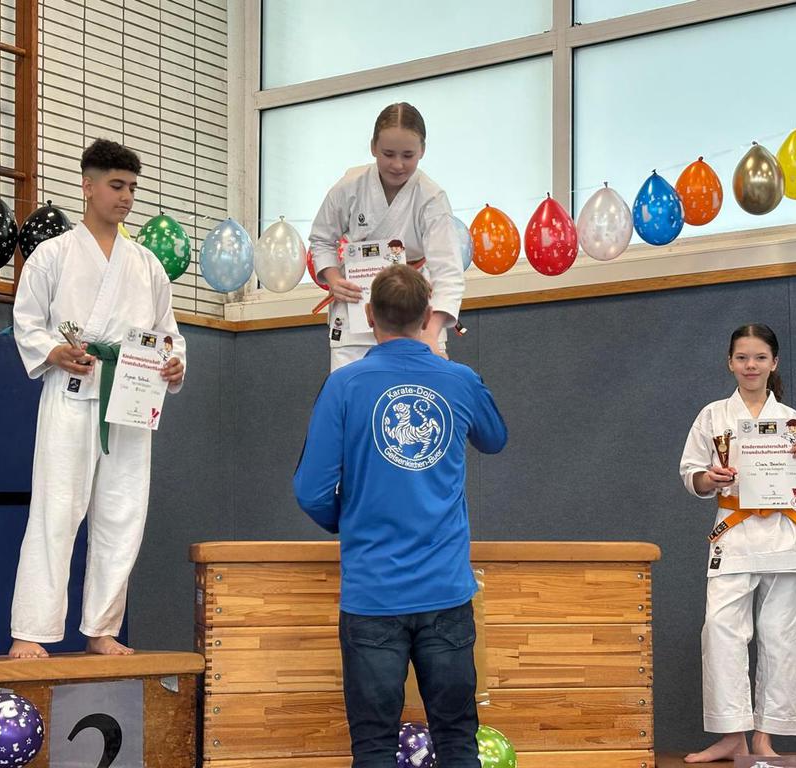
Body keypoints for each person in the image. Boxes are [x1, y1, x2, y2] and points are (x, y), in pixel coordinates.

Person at [294, 264, 507, 767]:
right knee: (457, 741)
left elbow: (311, 490)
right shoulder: (459, 380)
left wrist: (348, 521)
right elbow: (495, 439)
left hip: (373, 593)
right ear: (429, 315)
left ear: (369, 315)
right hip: (445, 591)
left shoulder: (343, 385)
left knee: (373, 746)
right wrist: (456, 374)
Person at [8, 138, 186, 658]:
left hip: (130, 398)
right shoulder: (52, 255)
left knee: (123, 515)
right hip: (71, 394)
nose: (126, 196)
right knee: (56, 512)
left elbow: (169, 334)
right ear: (87, 186)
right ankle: (31, 630)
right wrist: (54, 351)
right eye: (116, 185)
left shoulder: (147, 265)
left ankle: (102, 628)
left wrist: (175, 363)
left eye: (131, 187)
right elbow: (27, 322)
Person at [679, 323, 796, 762]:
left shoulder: (790, 418)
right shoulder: (712, 415)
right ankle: (732, 735)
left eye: (760, 357)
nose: (751, 365)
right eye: (742, 357)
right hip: (735, 532)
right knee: (720, 632)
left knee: (784, 637)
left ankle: (765, 737)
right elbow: (691, 474)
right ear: (730, 362)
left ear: (773, 363)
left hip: (785, 534)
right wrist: (710, 478)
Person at [309, 102, 464, 372]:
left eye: (408, 155)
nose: (397, 164)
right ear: (373, 147)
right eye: (388, 154)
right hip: (357, 309)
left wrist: (430, 333)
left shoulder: (431, 198)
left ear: (422, 150)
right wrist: (334, 279)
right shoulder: (349, 187)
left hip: (416, 322)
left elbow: (448, 272)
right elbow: (321, 239)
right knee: (354, 391)